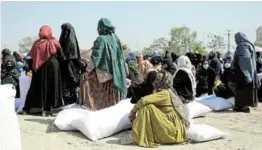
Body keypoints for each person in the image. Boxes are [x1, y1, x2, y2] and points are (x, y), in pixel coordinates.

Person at [119, 70, 189, 147]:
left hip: (172, 130)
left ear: (161, 81)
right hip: (171, 127)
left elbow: (143, 100)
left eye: (158, 79)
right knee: (148, 106)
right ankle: (140, 134)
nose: (156, 80)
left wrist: (133, 111)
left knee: (147, 107)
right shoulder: (168, 91)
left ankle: (136, 135)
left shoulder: (164, 93)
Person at [78, 18, 126, 111]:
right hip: (117, 73)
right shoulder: (115, 38)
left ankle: (92, 107)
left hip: (104, 73)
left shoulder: (100, 39)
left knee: (84, 80)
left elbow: (95, 58)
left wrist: (87, 71)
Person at [21, 25, 65, 116]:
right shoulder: (54, 42)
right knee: (51, 88)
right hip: (53, 67)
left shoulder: (36, 44)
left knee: (36, 87)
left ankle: (27, 108)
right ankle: (48, 110)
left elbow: (30, 56)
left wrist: (28, 67)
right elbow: (62, 56)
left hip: (39, 69)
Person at [232, 32, 260, 113]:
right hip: (250, 71)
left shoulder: (242, 46)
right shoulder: (249, 45)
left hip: (243, 72)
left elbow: (244, 59)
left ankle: (243, 106)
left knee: (242, 90)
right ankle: (242, 106)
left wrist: (245, 73)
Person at [59, 23, 82, 105]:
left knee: (67, 88)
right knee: (70, 88)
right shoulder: (73, 39)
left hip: (68, 66)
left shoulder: (66, 39)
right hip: (70, 66)